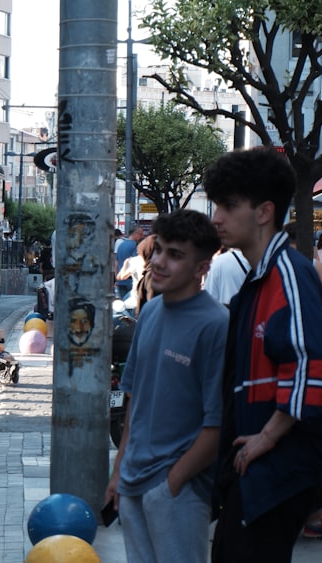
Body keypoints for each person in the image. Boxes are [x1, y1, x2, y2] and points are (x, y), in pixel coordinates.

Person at [203, 146, 322, 561]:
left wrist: (268, 437)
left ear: (264, 211)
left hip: (281, 466)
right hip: (262, 466)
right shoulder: (262, 276)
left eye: (228, 206)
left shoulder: (288, 272)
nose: (216, 218)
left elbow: (316, 365)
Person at [104, 210, 228, 563]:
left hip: (178, 490)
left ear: (202, 267)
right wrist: (118, 473)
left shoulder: (216, 325)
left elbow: (216, 423)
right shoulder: (151, 312)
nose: (158, 261)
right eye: (158, 249)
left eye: (175, 255)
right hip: (132, 484)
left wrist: (173, 482)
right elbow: (135, 401)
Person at [115, 226, 143, 299]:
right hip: (131, 281)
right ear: (135, 234)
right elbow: (137, 262)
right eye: (140, 234)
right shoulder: (135, 246)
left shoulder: (121, 245)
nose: (141, 236)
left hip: (120, 280)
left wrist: (116, 278)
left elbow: (116, 263)